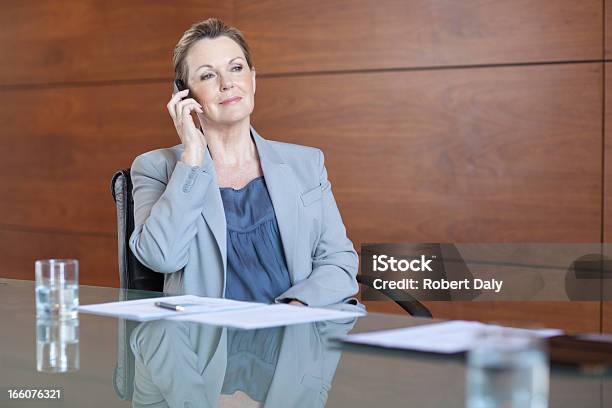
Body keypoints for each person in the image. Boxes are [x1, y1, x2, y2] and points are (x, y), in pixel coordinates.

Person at [129, 18, 360, 308]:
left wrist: (295, 310)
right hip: (208, 343)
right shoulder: (154, 168)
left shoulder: (307, 163)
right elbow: (162, 257)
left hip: (295, 337)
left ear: (252, 79)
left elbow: (338, 262)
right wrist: (192, 157)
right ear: (183, 94)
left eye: (236, 68)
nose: (228, 84)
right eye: (208, 76)